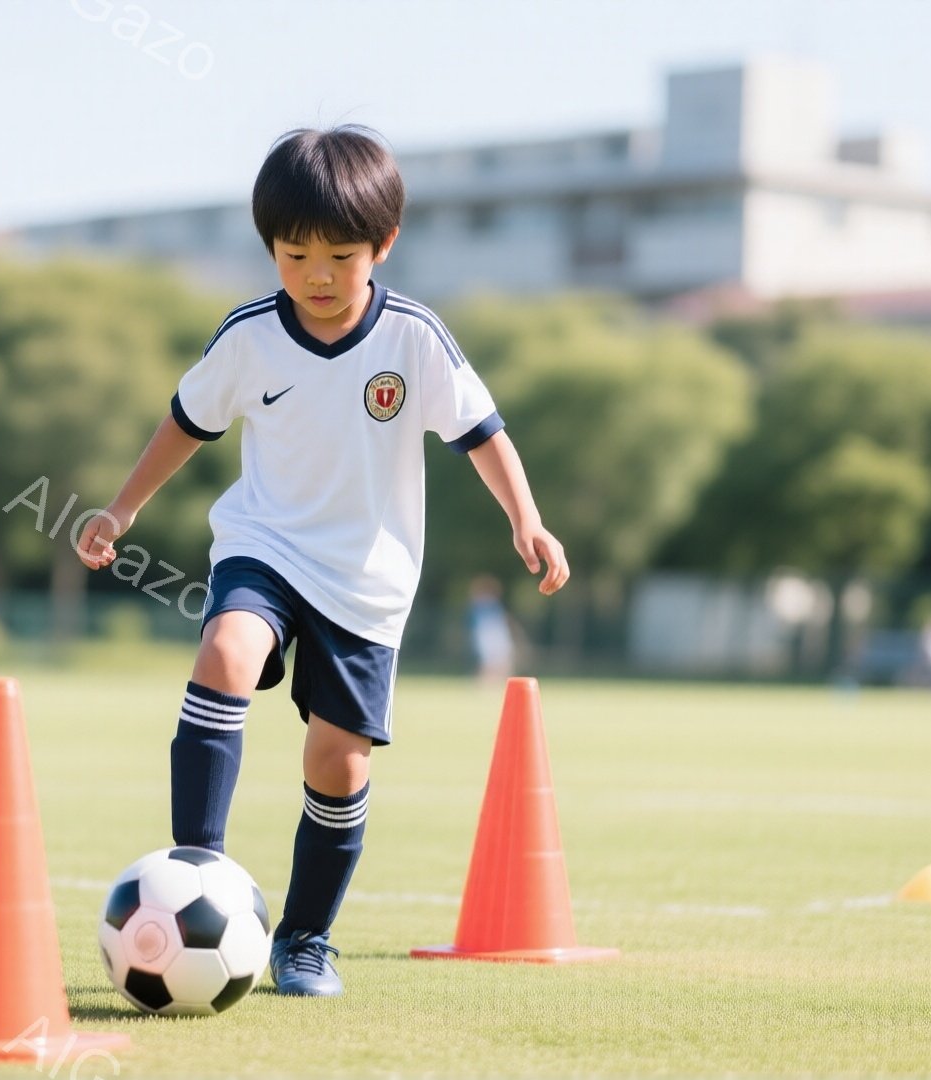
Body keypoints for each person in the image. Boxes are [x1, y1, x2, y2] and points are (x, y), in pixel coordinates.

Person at [74, 125, 569, 998]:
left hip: (368, 578)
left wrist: (527, 519)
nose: (317, 274)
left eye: (340, 255)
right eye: (294, 254)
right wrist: (123, 506)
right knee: (227, 649)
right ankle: (201, 871)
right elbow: (188, 422)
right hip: (264, 545)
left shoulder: (414, 339)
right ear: (271, 248)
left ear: (383, 246)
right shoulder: (250, 335)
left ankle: (305, 940)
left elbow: (482, 435)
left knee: (337, 761)